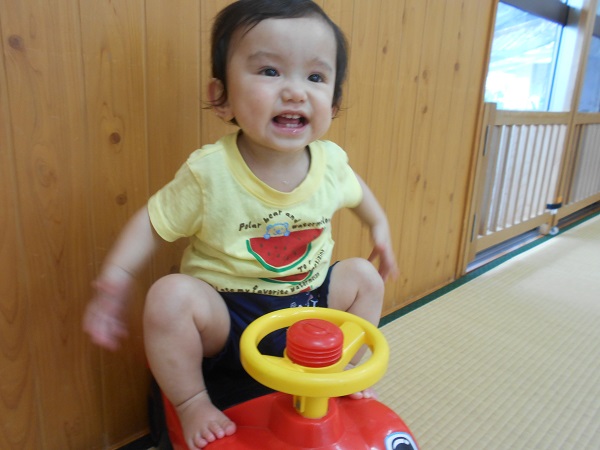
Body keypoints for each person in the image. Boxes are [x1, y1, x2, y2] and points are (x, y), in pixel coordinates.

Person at [83, 0, 398, 448]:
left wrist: (379, 226)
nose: (295, 92)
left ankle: (339, 371)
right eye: (270, 71)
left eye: (315, 77)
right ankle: (193, 402)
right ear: (221, 97)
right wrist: (116, 277)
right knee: (169, 297)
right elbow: (152, 223)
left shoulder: (330, 163)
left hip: (309, 304)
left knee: (364, 277)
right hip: (227, 315)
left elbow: (358, 192)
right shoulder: (209, 173)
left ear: (334, 102)